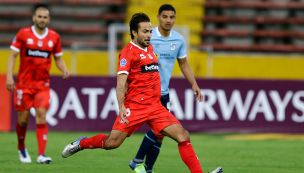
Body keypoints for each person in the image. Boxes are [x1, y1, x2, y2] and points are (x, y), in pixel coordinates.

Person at [61, 12, 222, 173]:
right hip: (135, 107)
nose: (149, 35)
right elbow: (120, 85)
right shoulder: (127, 53)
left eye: (151, 31)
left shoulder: (150, 48)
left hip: (156, 107)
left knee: (183, 135)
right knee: (112, 143)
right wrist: (121, 106)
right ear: (134, 32)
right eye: (145, 31)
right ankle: (81, 143)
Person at [128, 4, 222, 173]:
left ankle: (144, 166)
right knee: (160, 130)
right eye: (165, 17)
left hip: (164, 93)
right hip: (147, 94)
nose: (168, 20)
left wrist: (194, 83)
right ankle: (138, 161)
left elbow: (183, 63)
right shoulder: (148, 37)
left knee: (160, 135)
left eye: (171, 17)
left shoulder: (178, 39)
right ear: (158, 17)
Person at [6, 5, 70, 164]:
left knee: (41, 117)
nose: (42, 19)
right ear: (34, 18)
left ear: (49, 19)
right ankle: (21, 147)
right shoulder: (23, 33)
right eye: (39, 16)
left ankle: (41, 155)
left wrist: (64, 69)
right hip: (23, 84)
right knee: (23, 120)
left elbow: (58, 58)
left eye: (45, 17)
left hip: (42, 85)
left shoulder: (54, 37)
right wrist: (9, 77)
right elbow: (13, 55)